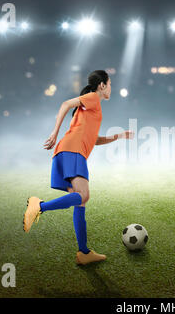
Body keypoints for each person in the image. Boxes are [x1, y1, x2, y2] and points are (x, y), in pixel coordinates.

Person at [23, 69, 133, 265]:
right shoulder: (92, 97)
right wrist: (55, 132)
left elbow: (94, 140)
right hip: (72, 151)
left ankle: (83, 253)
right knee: (83, 195)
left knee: (80, 201)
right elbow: (65, 103)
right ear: (102, 85)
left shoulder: (92, 107)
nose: (111, 88)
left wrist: (119, 136)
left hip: (67, 151)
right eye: (110, 84)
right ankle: (38, 206)